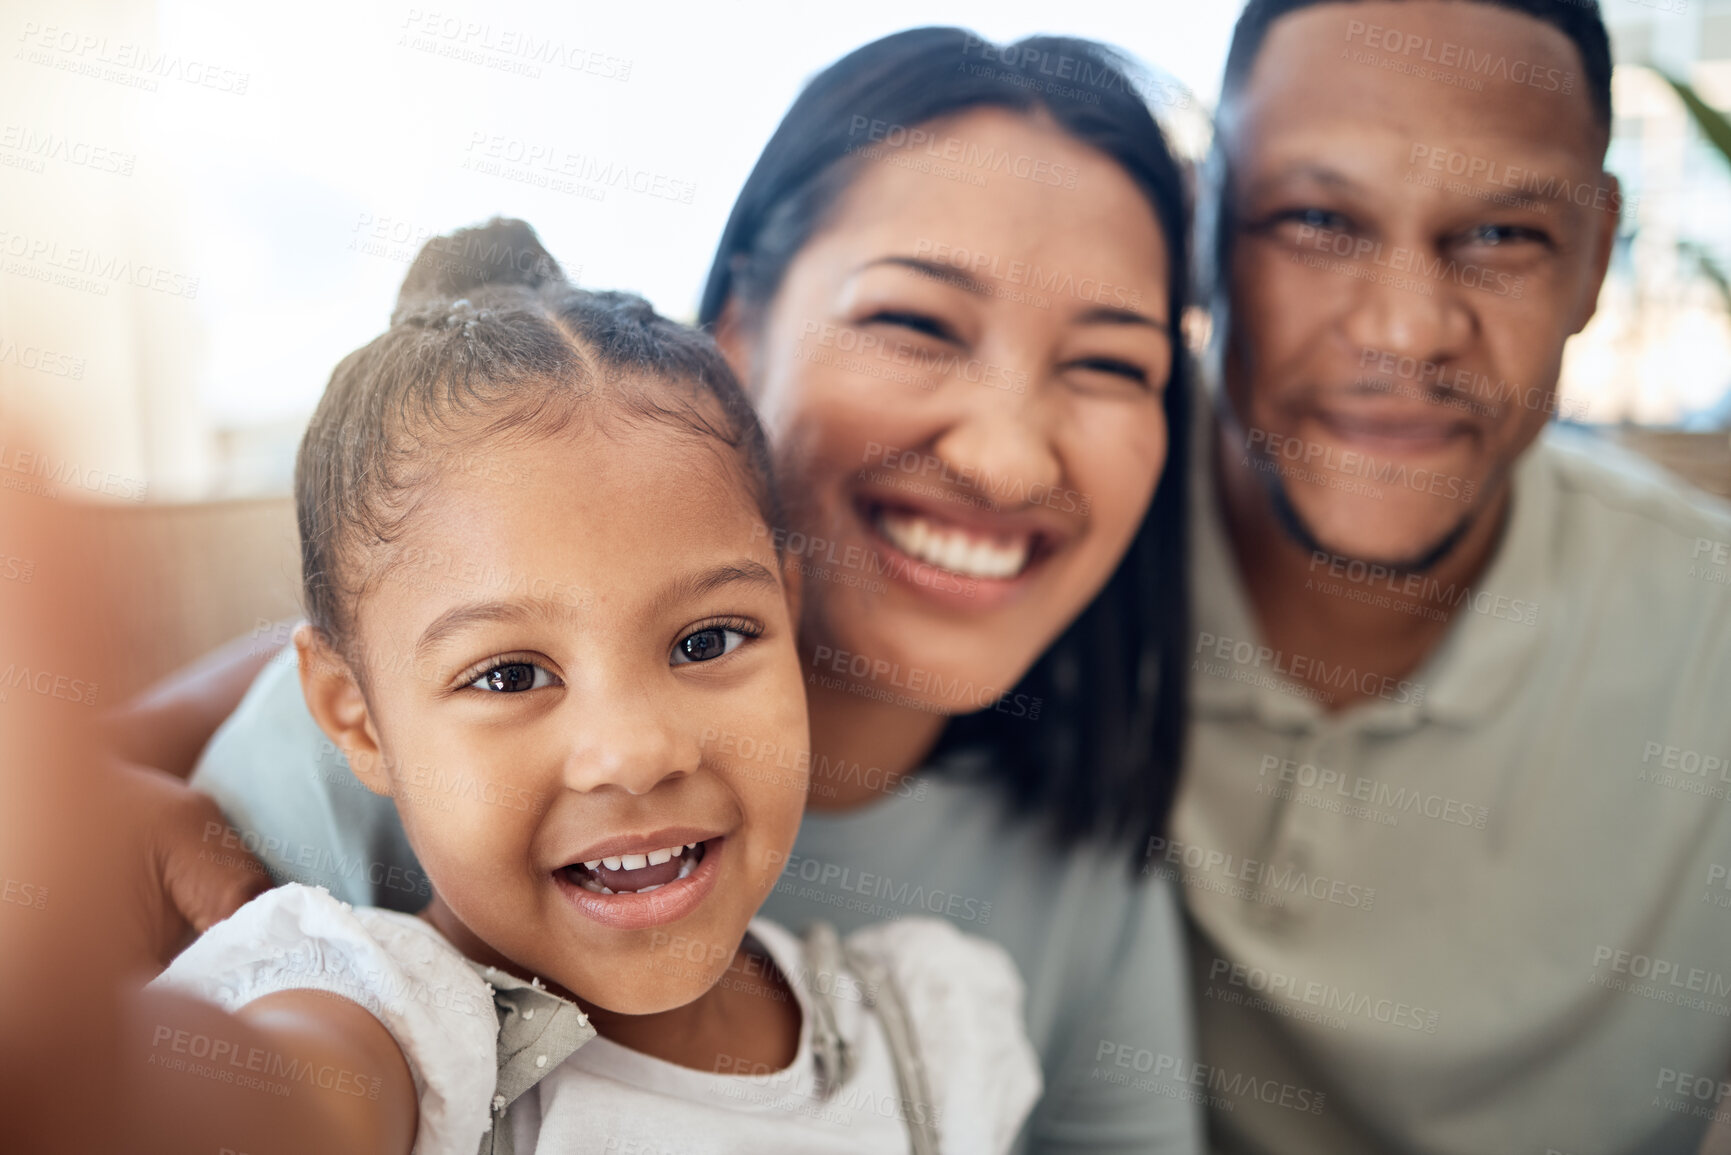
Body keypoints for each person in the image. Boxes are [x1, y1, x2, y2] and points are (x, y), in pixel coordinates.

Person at [109, 28, 1205, 1154]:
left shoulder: (1050, 887)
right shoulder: (353, 788)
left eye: (1112, 362)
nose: (1007, 460)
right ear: (732, 332)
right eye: (917, 322)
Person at [148, 219, 1041, 1154]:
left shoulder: (930, 1029)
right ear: (355, 717)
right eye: (509, 674)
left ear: (787, 608)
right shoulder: (385, 1031)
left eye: (706, 640)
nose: (635, 750)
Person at [1163, 1, 1731, 1151]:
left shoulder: (1711, 637)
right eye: (1320, 218)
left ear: (1590, 259)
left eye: (1504, 235)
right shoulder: (1034, 566)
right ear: (1208, 228)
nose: (1408, 330)